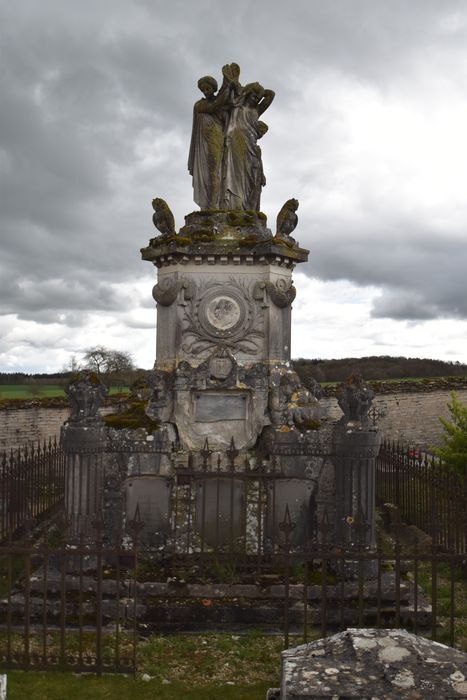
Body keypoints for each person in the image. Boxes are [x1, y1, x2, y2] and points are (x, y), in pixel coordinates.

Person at [222, 82, 275, 211]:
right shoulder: (238, 108)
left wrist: (258, 92)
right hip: (236, 141)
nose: (256, 100)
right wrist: (243, 91)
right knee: (237, 172)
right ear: (247, 95)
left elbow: (271, 95)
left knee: (249, 176)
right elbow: (231, 124)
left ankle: (246, 206)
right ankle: (236, 203)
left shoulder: (256, 110)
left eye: (258, 98)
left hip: (251, 145)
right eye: (254, 97)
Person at [187, 76, 229, 209]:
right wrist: (228, 84)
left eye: (208, 88)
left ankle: (215, 204)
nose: (205, 91)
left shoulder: (222, 106)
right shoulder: (199, 105)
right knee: (207, 173)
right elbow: (214, 106)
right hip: (203, 143)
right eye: (203, 89)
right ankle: (209, 205)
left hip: (217, 140)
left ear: (213, 88)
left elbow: (224, 114)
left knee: (215, 171)